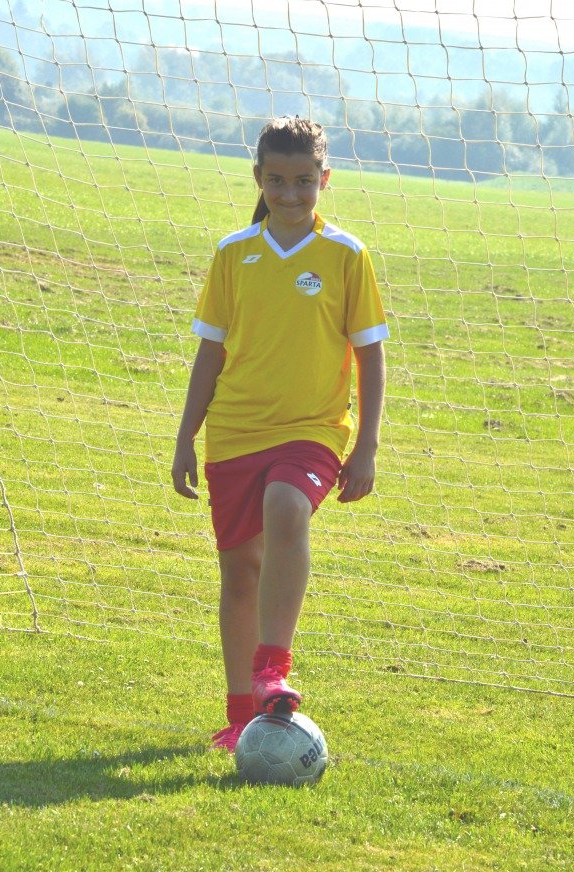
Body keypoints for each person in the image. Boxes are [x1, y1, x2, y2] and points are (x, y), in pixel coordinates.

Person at [171, 116, 388, 752]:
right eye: (276, 181)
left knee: (287, 505)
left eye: (302, 181)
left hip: (314, 428)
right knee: (240, 572)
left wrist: (367, 444)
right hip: (235, 430)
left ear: (324, 179)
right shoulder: (233, 254)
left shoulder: (346, 255)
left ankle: (273, 667)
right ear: (258, 179)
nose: (290, 194)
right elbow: (210, 353)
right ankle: (242, 715)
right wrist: (185, 438)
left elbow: (370, 354)